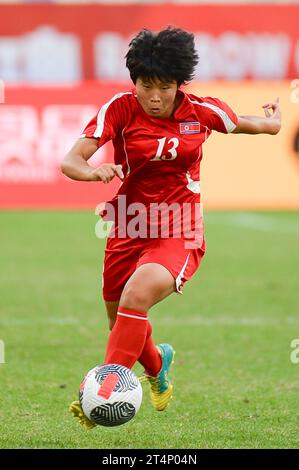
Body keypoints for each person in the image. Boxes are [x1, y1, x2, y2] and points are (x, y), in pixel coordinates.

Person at [61, 27, 281, 429]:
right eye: (147, 85)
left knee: (136, 295)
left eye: (164, 85)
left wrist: (273, 121)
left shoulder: (202, 112)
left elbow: (249, 124)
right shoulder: (120, 109)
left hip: (179, 226)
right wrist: (92, 173)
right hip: (128, 224)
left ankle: (102, 393)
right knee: (122, 319)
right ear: (135, 83)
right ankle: (158, 365)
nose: (155, 96)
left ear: (180, 83)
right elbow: (70, 160)